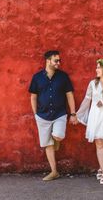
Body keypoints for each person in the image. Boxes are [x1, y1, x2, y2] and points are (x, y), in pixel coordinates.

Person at [29, 50, 78, 181]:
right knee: (48, 145)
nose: (58, 63)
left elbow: (69, 95)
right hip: (42, 116)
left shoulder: (63, 77)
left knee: (58, 135)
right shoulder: (37, 77)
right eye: (56, 60)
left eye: (59, 60)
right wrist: (35, 114)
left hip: (59, 114)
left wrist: (73, 113)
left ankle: (54, 137)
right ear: (48, 61)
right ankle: (54, 171)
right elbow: (33, 96)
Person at [76, 59, 103, 185]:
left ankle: (101, 169)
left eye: (98, 67)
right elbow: (87, 100)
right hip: (96, 116)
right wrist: (77, 114)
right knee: (100, 143)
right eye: (96, 67)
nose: (96, 69)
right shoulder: (93, 84)